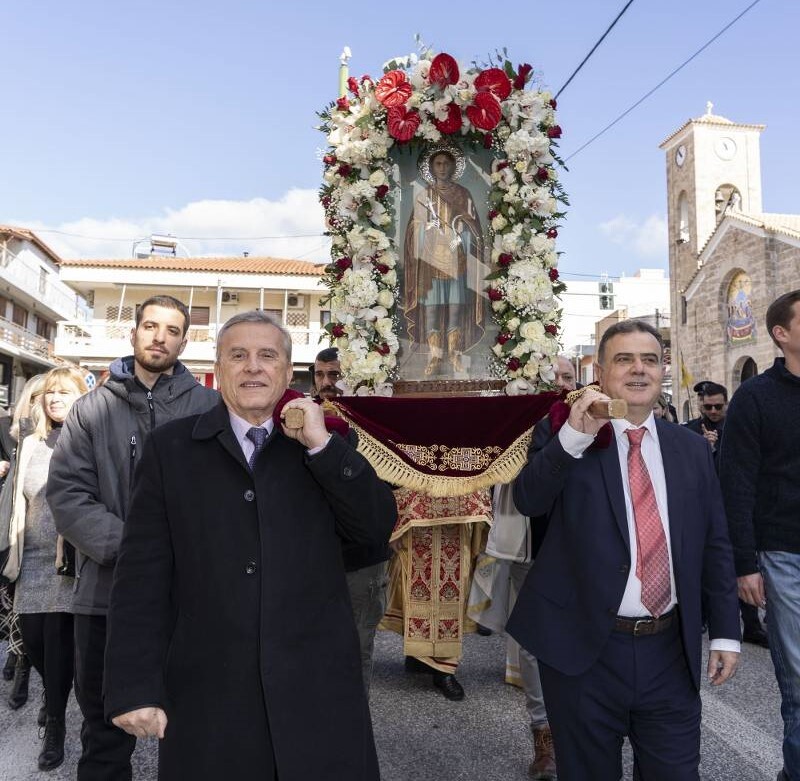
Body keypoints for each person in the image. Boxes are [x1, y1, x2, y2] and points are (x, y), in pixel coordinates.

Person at [103, 310, 396, 780]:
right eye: (238, 355)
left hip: (316, 689)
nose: (253, 367)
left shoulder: (327, 445)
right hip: (210, 695)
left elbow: (375, 529)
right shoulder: (170, 449)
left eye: (267, 356)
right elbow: (141, 576)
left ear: (287, 371)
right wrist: (134, 685)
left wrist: (322, 448)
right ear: (219, 370)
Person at [509, 319, 740, 781]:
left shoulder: (691, 449)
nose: (639, 370)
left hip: (669, 652)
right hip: (582, 654)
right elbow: (528, 499)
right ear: (600, 370)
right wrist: (573, 436)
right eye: (624, 359)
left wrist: (727, 633)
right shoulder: (566, 437)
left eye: (650, 360)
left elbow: (714, 543)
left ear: (663, 370)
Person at [47, 295, 218, 781]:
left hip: (190, 601)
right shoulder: (89, 410)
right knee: (104, 736)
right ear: (134, 333)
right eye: (150, 326)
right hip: (105, 598)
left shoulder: (208, 407)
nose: (159, 336)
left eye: (171, 329)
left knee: (198, 732)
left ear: (185, 341)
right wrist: (140, 552)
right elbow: (68, 496)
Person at [720, 290, 800, 781]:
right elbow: (736, 482)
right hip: (785, 555)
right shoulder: (755, 398)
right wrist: (744, 562)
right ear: (782, 334)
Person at [3, 367, 88, 770]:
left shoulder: (87, 441)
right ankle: (52, 697)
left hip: (66, 562)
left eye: (65, 392)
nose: (55, 398)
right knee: (32, 645)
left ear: (81, 398)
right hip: (29, 558)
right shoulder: (30, 443)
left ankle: (54, 723)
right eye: (50, 392)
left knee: (57, 646)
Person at [310, 346, 390, 695]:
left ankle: (352, 741)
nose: (326, 384)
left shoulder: (373, 422)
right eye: (320, 375)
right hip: (312, 559)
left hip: (361, 564)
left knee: (355, 654)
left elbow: (384, 492)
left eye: (335, 375)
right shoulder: (300, 416)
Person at [403, 144, 485, 377]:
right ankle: (435, 357)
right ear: (431, 167)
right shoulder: (424, 196)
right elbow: (413, 231)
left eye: (446, 163)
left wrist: (461, 233)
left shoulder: (463, 194)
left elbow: (474, 228)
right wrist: (426, 228)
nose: (442, 168)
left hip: (456, 260)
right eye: (438, 163)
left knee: (456, 309)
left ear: (452, 167)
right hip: (430, 263)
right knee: (431, 311)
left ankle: (454, 355)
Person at [1, 374, 46, 712]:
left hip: (38, 533)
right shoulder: (8, 430)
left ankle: (23, 667)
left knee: (26, 607)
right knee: (11, 601)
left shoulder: (61, 436)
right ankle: (18, 660)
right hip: (8, 526)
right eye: (36, 397)